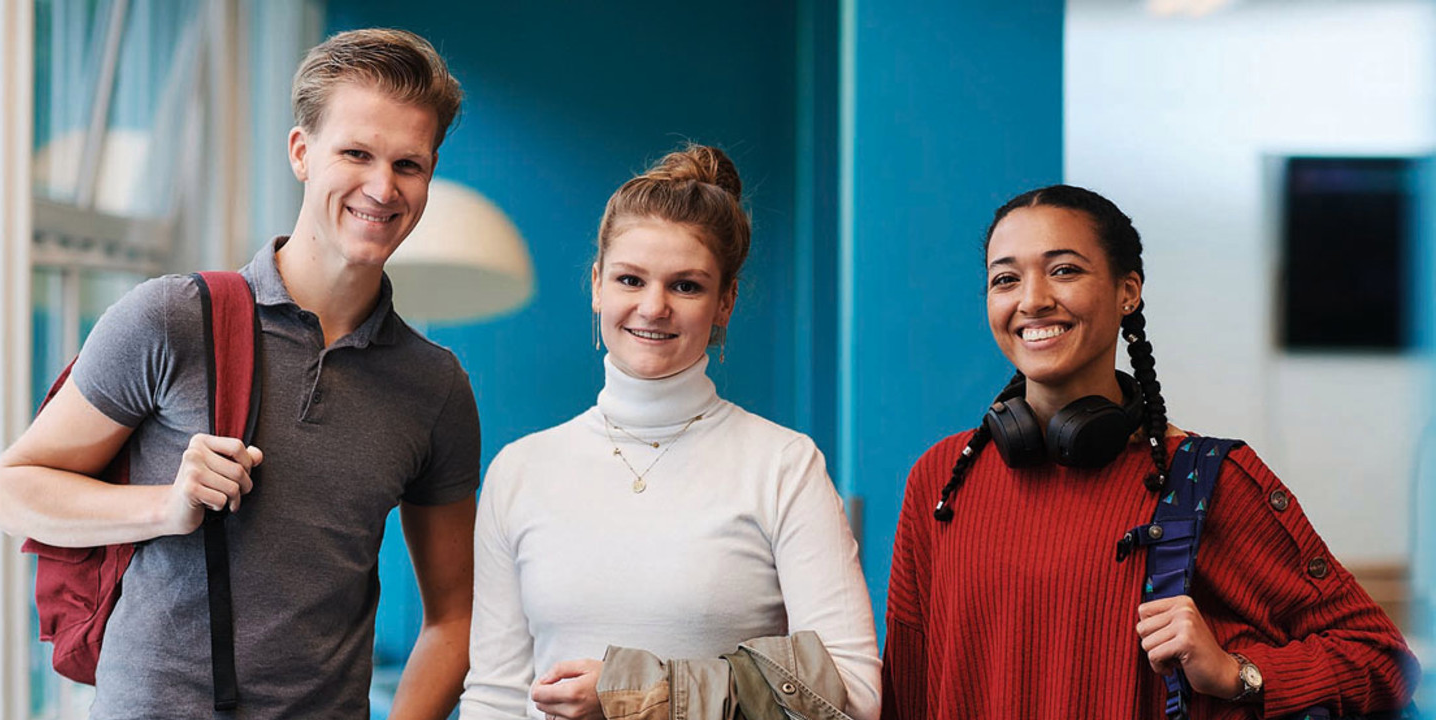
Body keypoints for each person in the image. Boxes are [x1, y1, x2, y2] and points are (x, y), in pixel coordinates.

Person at [0, 28, 480, 720]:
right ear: (302, 153)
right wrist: (165, 505)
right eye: (356, 153)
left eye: (409, 164)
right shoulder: (172, 318)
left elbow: (451, 618)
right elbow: (13, 491)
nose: (382, 186)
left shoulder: (434, 388)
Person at [881, 184, 1419, 719]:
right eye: (1005, 279)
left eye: (1064, 270)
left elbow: (1381, 659)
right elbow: (905, 692)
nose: (1032, 299)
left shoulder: (1208, 480)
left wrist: (1238, 673)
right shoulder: (944, 478)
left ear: (1128, 292)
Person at [459, 145, 881, 720]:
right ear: (596, 286)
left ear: (725, 302)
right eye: (630, 280)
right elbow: (495, 696)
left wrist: (645, 692)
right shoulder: (519, 470)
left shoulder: (783, 464)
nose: (653, 307)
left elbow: (854, 696)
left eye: (686, 286)